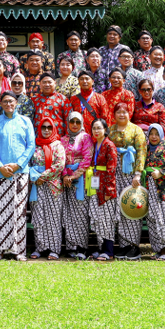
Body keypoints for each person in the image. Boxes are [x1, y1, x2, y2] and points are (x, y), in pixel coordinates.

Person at [0, 92, 35, 260]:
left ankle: (19, 250)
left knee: (19, 210)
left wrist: (19, 164)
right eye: (5, 101)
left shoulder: (25, 121)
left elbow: (31, 145)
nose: (8, 104)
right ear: (1, 104)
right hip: (0, 173)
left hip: (20, 173)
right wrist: (0, 166)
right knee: (0, 210)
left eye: (11, 101)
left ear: (16, 103)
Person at [108, 102, 147, 259]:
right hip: (115, 172)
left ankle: (133, 245)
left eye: (125, 112)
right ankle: (123, 245)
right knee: (119, 207)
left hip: (130, 171)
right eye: (119, 112)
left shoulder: (136, 130)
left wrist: (138, 173)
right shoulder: (110, 130)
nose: (122, 114)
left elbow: (141, 151)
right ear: (114, 114)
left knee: (131, 205)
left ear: (129, 113)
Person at [28, 116, 66, 259]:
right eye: (43, 127)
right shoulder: (35, 145)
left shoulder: (58, 145)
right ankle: (40, 248)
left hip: (52, 186)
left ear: (53, 129)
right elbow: (29, 163)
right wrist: (34, 176)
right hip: (36, 185)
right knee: (38, 216)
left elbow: (59, 164)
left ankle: (54, 249)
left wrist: (43, 176)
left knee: (53, 218)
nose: (46, 130)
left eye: (49, 127)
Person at [142, 123, 165, 260]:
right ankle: (160, 250)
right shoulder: (146, 148)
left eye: (156, 134)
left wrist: (161, 172)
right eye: (151, 134)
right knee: (153, 218)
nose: (153, 137)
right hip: (150, 187)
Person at [59, 111, 93, 259]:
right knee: (69, 214)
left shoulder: (85, 138)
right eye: (72, 121)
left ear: (82, 123)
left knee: (80, 213)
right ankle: (71, 246)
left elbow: (87, 158)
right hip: (66, 180)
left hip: (81, 180)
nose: (74, 124)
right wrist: (65, 175)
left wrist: (74, 175)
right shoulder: (63, 139)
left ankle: (81, 246)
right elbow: (60, 159)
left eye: (77, 122)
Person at [86, 119, 121, 261]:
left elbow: (112, 169)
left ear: (105, 130)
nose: (96, 131)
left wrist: (109, 190)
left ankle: (108, 250)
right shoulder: (95, 144)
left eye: (99, 128)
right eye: (94, 128)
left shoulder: (109, 145)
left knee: (107, 219)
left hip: (106, 187)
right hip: (95, 184)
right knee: (99, 218)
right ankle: (101, 248)